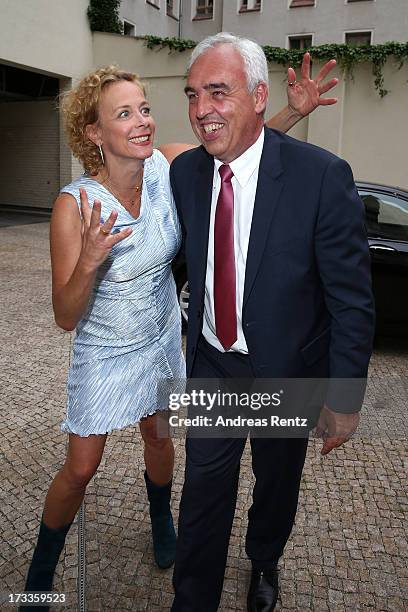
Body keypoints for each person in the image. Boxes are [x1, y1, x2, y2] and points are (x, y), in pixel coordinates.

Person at [21, 55, 339, 610]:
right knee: (81, 466)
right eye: (125, 114)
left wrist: (293, 110)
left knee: (159, 437)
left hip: (164, 335)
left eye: (144, 108)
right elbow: (66, 316)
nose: (144, 121)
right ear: (94, 132)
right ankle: (42, 566)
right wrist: (91, 259)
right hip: (107, 347)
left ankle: (160, 517)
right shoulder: (73, 207)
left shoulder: (167, 167)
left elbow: (237, 150)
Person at [169, 33, 375, 612]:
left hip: (288, 370)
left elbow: (352, 299)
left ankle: (264, 560)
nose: (202, 109)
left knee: (276, 481)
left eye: (217, 92)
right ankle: (192, 599)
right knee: (205, 490)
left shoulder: (321, 178)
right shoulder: (188, 174)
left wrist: (344, 395)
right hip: (212, 363)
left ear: (259, 96)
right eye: (193, 95)